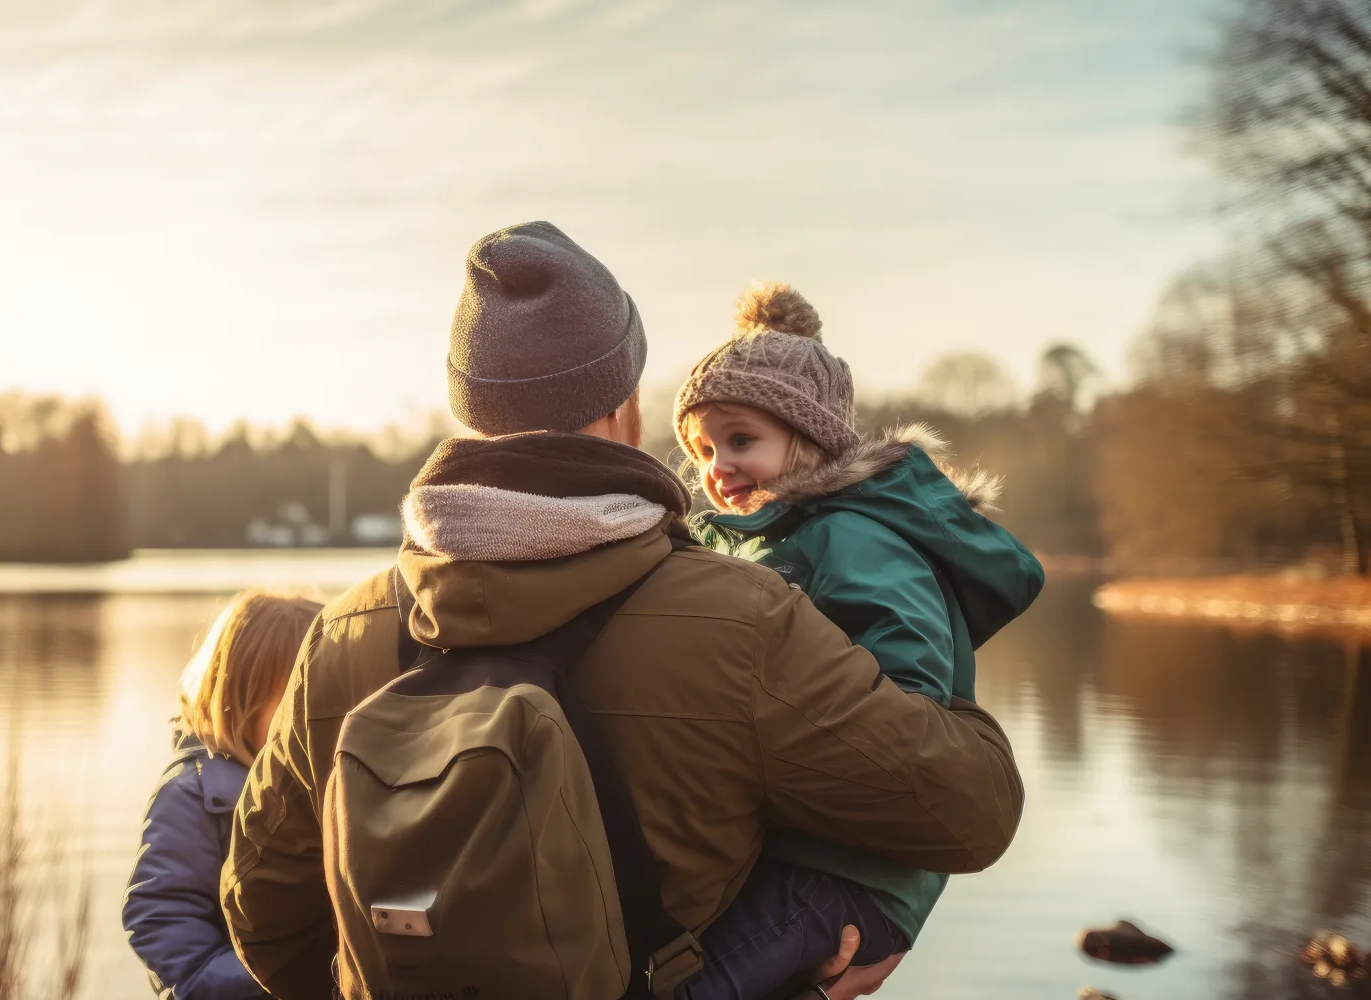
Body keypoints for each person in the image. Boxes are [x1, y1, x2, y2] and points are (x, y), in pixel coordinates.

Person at [220, 221, 1026, 1000]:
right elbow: (971, 811)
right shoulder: (741, 615)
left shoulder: (344, 633)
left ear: (472, 410)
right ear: (625, 405)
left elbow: (265, 921)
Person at [671, 281, 1045, 999]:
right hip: (814, 853)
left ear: (809, 438)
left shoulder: (853, 538)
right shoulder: (776, 545)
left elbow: (907, 703)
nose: (717, 468)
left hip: (852, 869)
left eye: (741, 440)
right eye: (704, 448)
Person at [124, 590, 323, 999]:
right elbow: (165, 922)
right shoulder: (193, 795)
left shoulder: (323, 785)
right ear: (239, 699)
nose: (311, 719)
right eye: (293, 703)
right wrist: (289, 977)